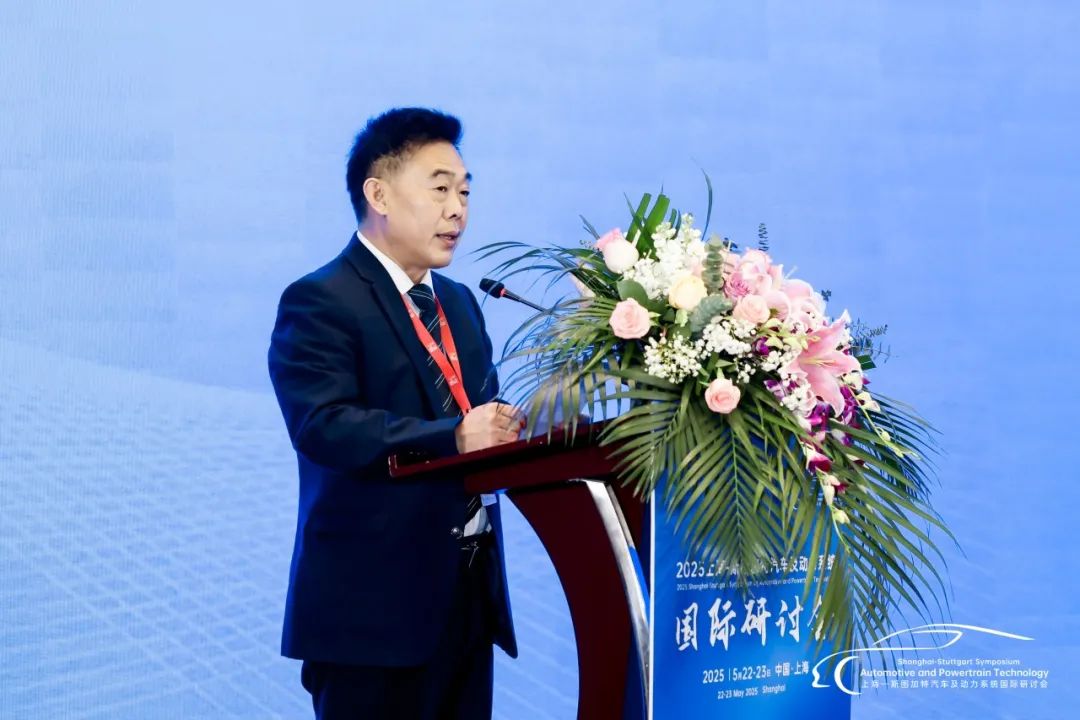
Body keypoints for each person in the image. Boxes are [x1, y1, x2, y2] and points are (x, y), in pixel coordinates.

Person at [268, 107, 520, 719]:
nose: (457, 210)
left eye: (465, 192)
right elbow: (324, 425)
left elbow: (478, 417)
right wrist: (453, 437)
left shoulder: (460, 303)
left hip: (466, 598)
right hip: (370, 615)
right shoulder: (320, 300)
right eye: (440, 189)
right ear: (378, 194)